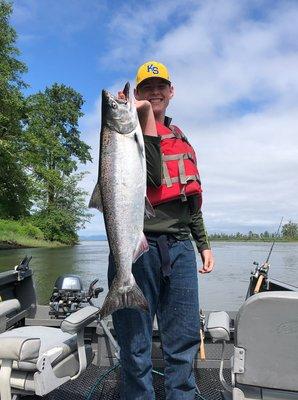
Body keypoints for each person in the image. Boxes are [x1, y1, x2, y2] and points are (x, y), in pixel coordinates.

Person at [109, 61, 214, 400]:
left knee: (182, 340)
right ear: (138, 93)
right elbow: (151, 176)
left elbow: (188, 197)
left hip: (181, 247)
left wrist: (203, 243)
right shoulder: (126, 134)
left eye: (160, 86)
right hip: (137, 247)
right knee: (136, 344)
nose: (155, 92)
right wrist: (138, 118)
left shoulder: (180, 136)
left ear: (171, 92)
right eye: (147, 87)